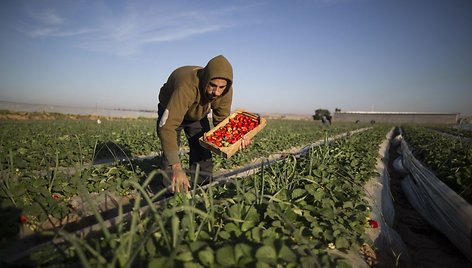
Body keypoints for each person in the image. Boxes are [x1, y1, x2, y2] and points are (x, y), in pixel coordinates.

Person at [156, 55, 251, 193]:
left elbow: (222, 122)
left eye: (221, 87)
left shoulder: (225, 91)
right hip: (172, 109)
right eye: (212, 85)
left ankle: (202, 188)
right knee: (170, 152)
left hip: (197, 114)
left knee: (202, 148)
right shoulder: (186, 87)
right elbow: (167, 127)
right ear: (206, 80)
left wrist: (237, 138)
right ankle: (171, 194)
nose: (216, 92)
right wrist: (177, 167)